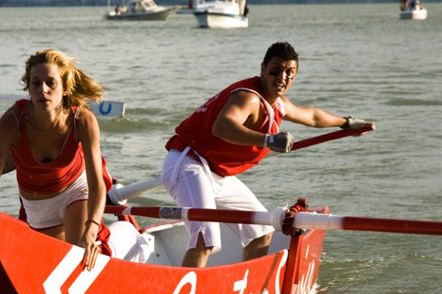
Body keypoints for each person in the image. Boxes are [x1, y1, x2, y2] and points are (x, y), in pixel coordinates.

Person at [161, 41, 375, 268]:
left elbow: (312, 116)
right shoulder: (249, 97)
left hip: (217, 174)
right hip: (189, 164)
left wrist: (347, 123)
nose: (282, 78)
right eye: (275, 71)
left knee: (261, 231)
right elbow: (222, 127)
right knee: (205, 239)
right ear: (262, 69)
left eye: (289, 73)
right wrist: (268, 140)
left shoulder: (280, 103)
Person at [0, 49, 149, 271]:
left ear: (66, 88)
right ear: (28, 88)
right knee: (44, 265)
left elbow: (97, 184)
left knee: (78, 257)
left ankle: (131, 240)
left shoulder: (84, 120)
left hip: (76, 192)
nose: (43, 90)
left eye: (51, 83)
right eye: (36, 83)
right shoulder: (11, 123)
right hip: (37, 206)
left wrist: (92, 227)